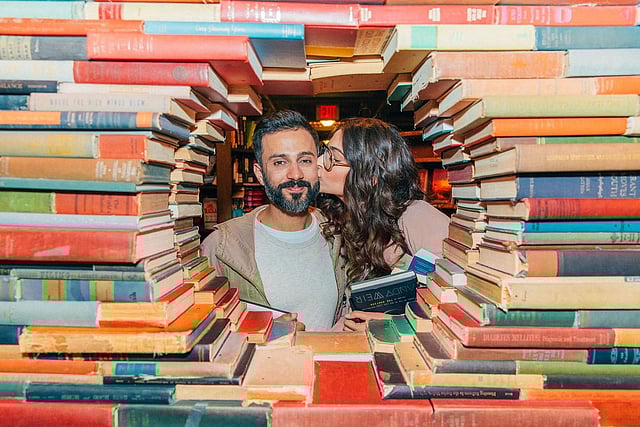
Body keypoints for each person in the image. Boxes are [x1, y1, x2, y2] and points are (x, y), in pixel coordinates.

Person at [201, 110, 348, 330]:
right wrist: (263, 332)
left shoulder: (340, 233)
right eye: (280, 162)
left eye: (305, 160)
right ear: (260, 174)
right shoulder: (221, 246)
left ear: (317, 167)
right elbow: (201, 330)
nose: (295, 174)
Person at [316, 117, 450, 330]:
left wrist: (391, 325)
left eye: (333, 158)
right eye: (325, 152)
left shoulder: (417, 216)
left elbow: (457, 308)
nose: (318, 162)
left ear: (372, 175)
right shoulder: (344, 218)